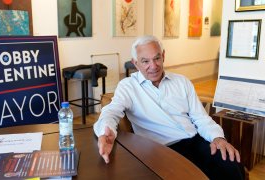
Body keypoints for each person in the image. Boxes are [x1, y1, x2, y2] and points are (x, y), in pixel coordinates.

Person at [93, 35, 245, 180]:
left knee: (231, 163)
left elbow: (201, 117)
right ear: (135, 63)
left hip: (195, 141)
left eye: (157, 58)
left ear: (163, 56)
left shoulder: (182, 82)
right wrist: (105, 132)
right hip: (162, 149)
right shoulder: (128, 87)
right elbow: (111, 111)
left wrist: (218, 138)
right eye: (145, 61)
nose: (153, 66)